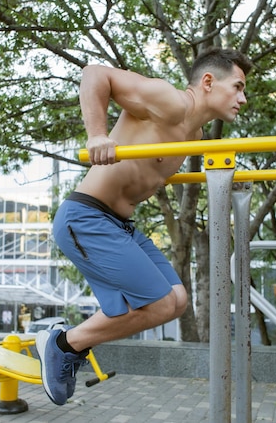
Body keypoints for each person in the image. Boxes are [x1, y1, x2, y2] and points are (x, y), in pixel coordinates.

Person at [36, 47, 253, 406]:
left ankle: (66, 342)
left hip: (118, 224)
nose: (243, 99)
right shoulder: (169, 101)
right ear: (209, 82)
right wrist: (96, 135)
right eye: (238, 87)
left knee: (177, 300)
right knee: (159, 304)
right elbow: (95, 73)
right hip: (86, 218)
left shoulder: (193, 135)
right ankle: (62, 345)